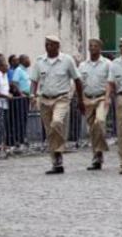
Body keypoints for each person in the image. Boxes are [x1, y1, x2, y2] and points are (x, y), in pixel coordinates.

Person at [29, 35, 85, 175]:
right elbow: (34, 81)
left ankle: (59, 152)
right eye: (46, 44)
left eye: (51, 44)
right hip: (44, 99)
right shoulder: (40, 61)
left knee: (56, 123)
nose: (48, 47)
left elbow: (77, 80)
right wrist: (32, 95)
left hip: (62, 98)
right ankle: (56, 162)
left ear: (57, 46)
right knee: (49, 131)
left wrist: (81, 100)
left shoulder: (67, 60)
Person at [78, 39, 112, 170]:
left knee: (100, 121)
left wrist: (108, 97)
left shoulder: (107, 64)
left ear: (100, 48)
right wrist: (80, 99)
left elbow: (110, 82)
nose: (92, 48)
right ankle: (97, 156)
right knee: (93, 130)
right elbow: (79, 83)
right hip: (88, 99)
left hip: (102, 98)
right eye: (90, 46)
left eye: (95, 46)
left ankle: (100, 151)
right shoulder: (82, 66)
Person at [0, 55, 12, 152]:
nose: (8, 67)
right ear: (0, 66)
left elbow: (5, 89)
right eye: (6, 65)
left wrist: (8, 94)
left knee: (4, 126)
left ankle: (3, 144)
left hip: (5, 105)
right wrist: (6, 96)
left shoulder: (5, 75)